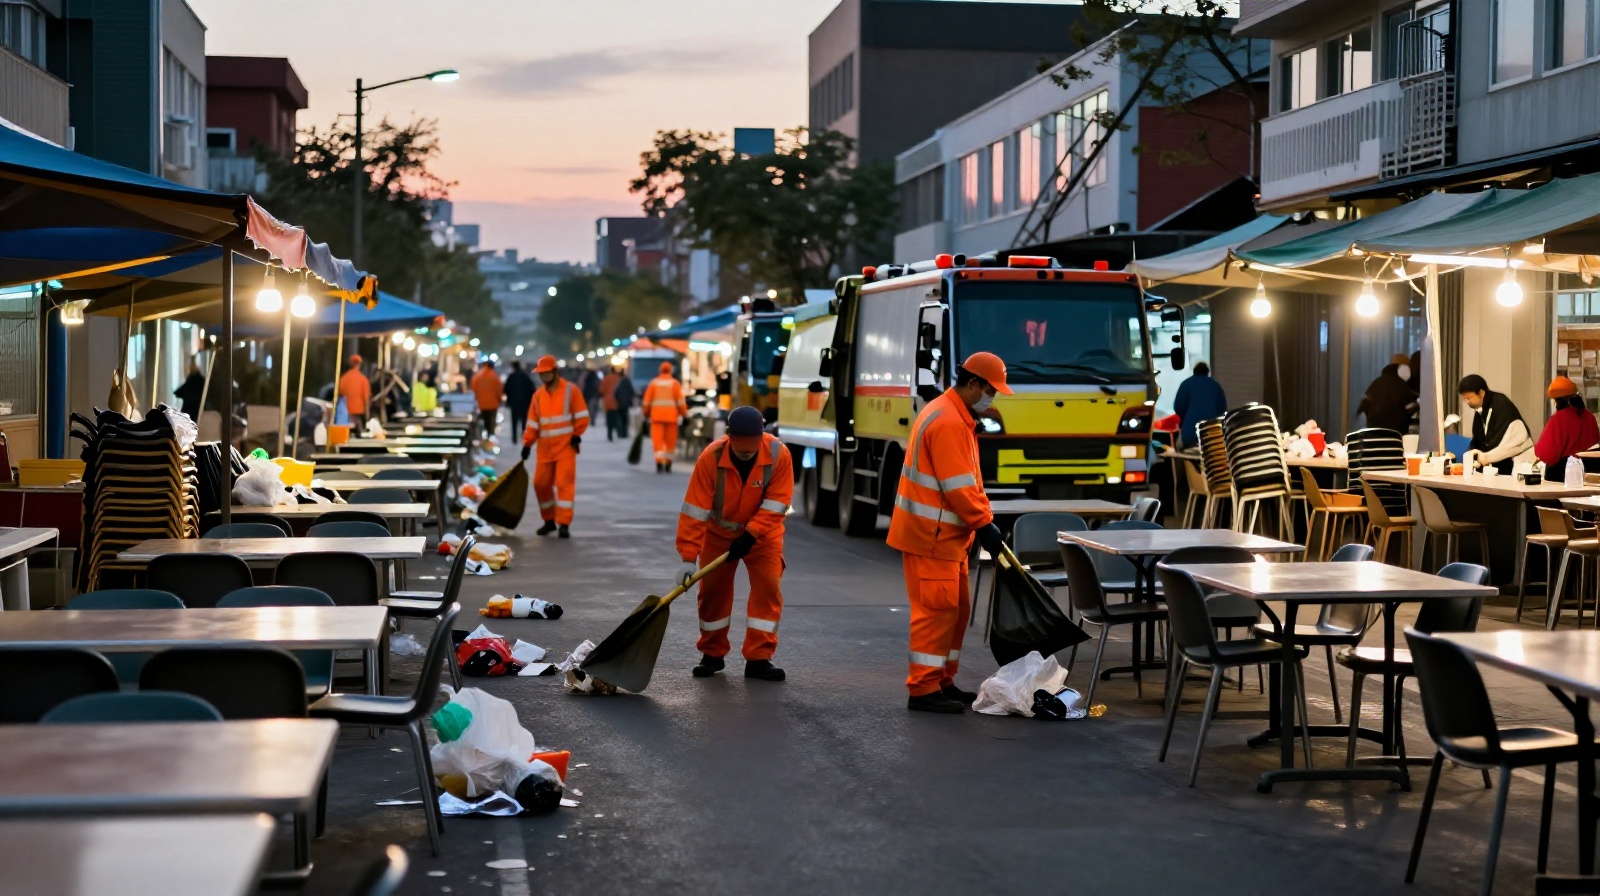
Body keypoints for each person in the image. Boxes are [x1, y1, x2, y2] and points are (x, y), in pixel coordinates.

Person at [888, 351, 1010, 714]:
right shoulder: (949, 422)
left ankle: (942, 679)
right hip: (932, 536)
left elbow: (968, 483)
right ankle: (923, 688)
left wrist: (980, 523)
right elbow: (958, 487)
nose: (993, 398)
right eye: (991, 390)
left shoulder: (956, 416)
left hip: (945, 536)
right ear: (973, 383)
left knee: (955, 611)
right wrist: (983, 523)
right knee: (936, 611)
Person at [676, 405, 793, 682]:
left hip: (764, 536)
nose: (745, 452)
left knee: (768, 589)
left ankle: (759, 658)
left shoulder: (778, 454)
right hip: (719, 533)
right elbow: (694, 509)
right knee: (713, 592)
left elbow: (778, 503)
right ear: (729, 436)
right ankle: (712, 655)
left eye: (750, 447)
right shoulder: (711, 458)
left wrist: (751, 534)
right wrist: (687, 558)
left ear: (761, 436)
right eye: (740, 447)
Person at [521, 355, 590, 538]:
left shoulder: (570, 391)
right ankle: (549, 520)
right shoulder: (538, 396)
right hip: (544, 448)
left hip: (565, 447)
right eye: (541, 374)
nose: (543, 377)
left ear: (555, 372)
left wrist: (576, 434)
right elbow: (533, 423)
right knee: (540, 483)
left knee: (564, 484)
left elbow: (582, 416)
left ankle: (564, 523)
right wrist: (527, 443)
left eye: (546, 373)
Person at [1459, 374, 1534, 474]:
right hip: (1500, 464)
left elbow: (1498, 441)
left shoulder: (1501, 404)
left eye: (1469, 398)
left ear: (1481, 393)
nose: (1468, 402)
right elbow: (1478, 440)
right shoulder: (1480, 410)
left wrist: (1485, 457)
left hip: (1516, 465)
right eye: (1465, 399)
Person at [1535, 376, 1600, 474]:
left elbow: (1546, 455)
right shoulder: (1590, 417)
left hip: (1564, 477)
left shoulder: (1558, 419)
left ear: (1557, 402)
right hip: (1590, 475)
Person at [642, 361, 688, 472]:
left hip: (656, 418)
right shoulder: (675, 384)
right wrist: (684, 415)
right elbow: (681, 402)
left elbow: (646, 402)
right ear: (671, 370)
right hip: (671, 418)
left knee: (658, 442)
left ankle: (659, 462)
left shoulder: (654, 383)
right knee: (670, 442)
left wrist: (645, 414)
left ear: (660, 370)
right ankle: (668, 463)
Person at [1172, 361, 1227, 449]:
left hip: (1190, 433)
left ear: (1194, 372)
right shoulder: (1215, 386)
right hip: (1211, 435)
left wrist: (1184, 422)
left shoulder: (1185, 384)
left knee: (1189, 459)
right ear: (1207, 372)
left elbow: (1178, 407)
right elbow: (1222, 410)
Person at [1357, 356, 1419, 433]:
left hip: (1374, 434)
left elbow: (1363, 408)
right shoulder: (1403, 387)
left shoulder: (1376, 383)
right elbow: (1411, 409)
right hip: (1397, 436)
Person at [338, 354, 372, 431]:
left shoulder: (344, 378)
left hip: (346, 413)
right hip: (359, 413)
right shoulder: (363, 379)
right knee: (359, 433)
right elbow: (366, 398)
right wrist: (367, 415)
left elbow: (341, 393)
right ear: (360, 364)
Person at [470, 360, 503, 438]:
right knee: (491, 425)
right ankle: (490, 439)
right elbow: (499, 391)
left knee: (482, 423)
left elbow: (473, 390)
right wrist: (499, 400)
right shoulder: (495, 376)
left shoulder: (477, 377)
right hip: (492, 405)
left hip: (481, 405)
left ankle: (482, 439)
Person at [600, 365, 633, 441]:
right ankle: (620, 432)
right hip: (617, 401)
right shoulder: (619, 379)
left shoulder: (606, 379)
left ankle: (609, 433)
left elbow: (601, 390)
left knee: (609, 418)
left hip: (607, 401)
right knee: (618, 418)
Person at [503, 361, 535, 439]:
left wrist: (509, 398)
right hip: (525, 402)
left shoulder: (511, 377)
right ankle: (524, 434)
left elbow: (506, 389)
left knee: (514, 420)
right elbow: (531, 388)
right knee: (524, 419)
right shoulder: (525, 376)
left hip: (514, 402)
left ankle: (514, 436)